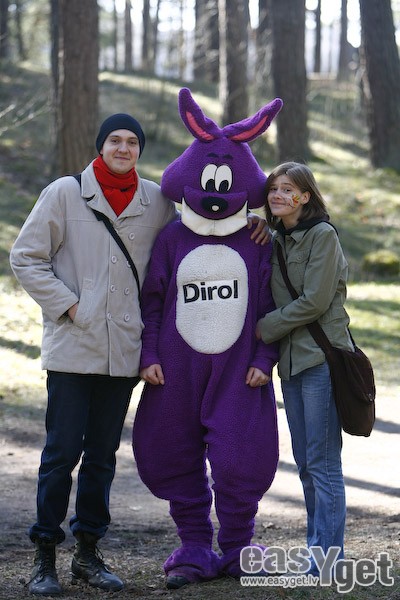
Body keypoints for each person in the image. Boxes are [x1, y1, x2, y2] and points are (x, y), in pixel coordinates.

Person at [9, 112, 269, 596]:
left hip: (124, 355)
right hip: (74, 348)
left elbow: (204, 223)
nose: (124, 148)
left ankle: (88, 552)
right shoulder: (64, 193)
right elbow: (25, 257)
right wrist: (70, 306)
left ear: (140, 150)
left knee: (102, 457)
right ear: (100, 145)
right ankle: (45, 554)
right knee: (61, 453)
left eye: (132, 141)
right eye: (115, 140)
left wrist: (254, 221)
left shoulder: (155, 201)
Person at [133, 88, 282, 589]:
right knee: (173, 448)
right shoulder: (172, 238)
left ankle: (239, 545)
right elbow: (154, 300)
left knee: (241, 453)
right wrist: (149, 353)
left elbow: (270, 306)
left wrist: (264, 358)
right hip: (175, 367)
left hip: (240, 369)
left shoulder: (257, 241)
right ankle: (194, 543)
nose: (216, 194)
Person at [256, 161, 350, 576]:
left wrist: (265, 327)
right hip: (291, 365)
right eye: (273, 188)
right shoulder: (276, 238)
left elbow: (315, 300)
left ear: (305, 197)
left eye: (287, 189)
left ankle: (327, 560)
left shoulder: (322, 235)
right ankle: (318, 551)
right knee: (305, 462)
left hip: (321, 361)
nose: (278, 195)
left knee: (323, 462)